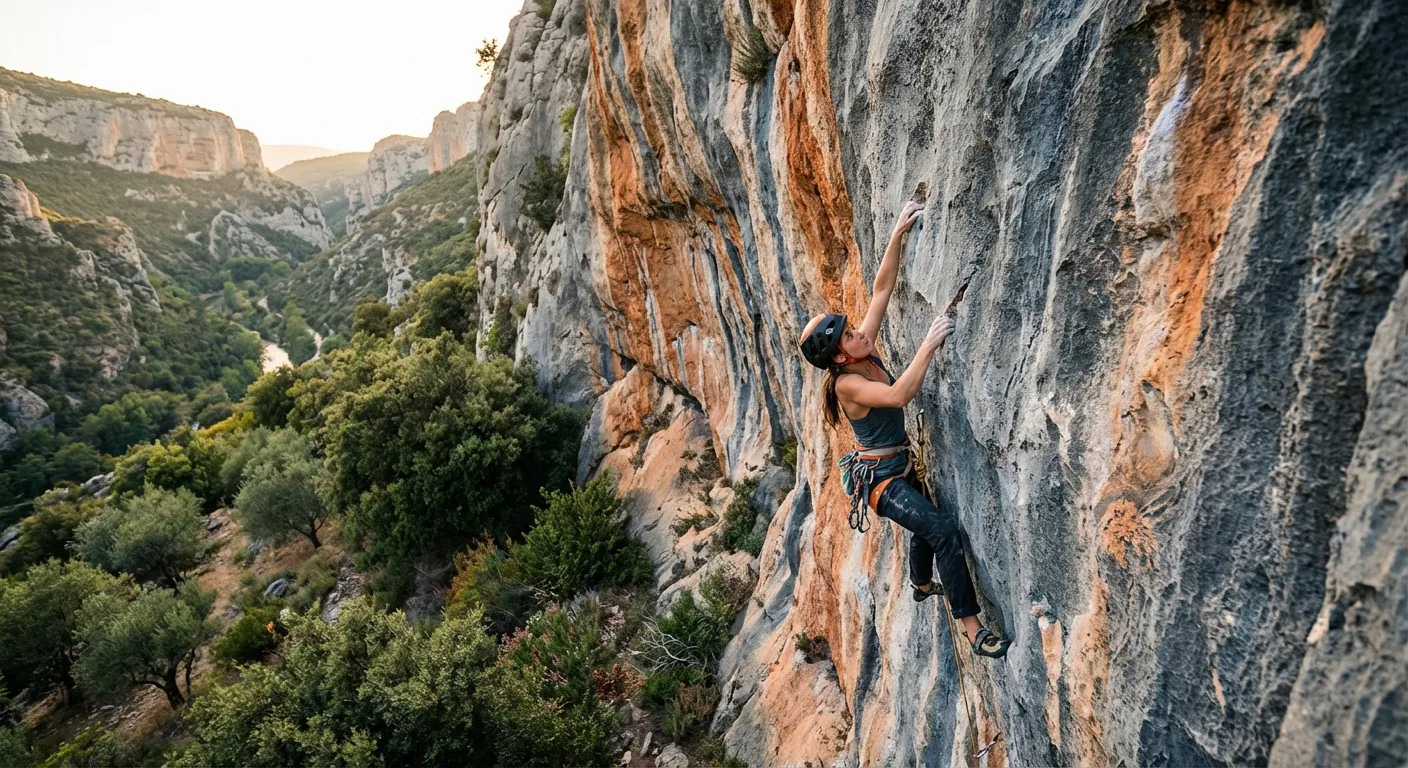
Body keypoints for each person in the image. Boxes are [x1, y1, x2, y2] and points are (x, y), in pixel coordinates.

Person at [798, 201, 1010, 659]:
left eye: (853, 329)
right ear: (839, 357)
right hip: (883, 482)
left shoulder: (862, 353)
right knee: (942, 529)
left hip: (898, 465)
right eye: (849, 334)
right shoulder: (849, 384)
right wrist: (929, 344)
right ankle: (974, 631)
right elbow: (897, 398)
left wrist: (897, 234)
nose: (859, 332)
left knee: (923, 524)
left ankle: (919, 583)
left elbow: (880, 292)